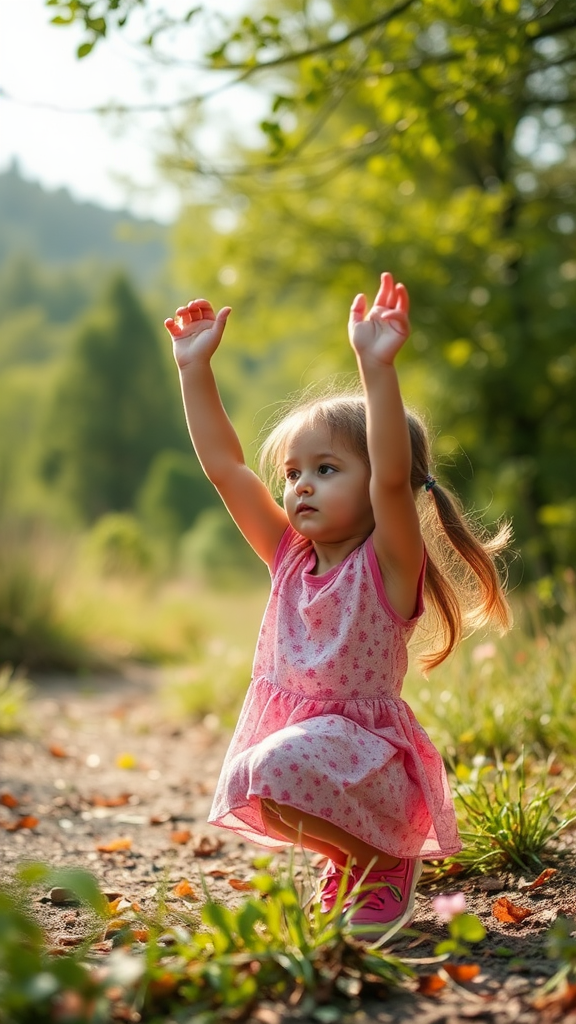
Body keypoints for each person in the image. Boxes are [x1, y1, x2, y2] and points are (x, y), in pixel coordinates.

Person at [164, 272, 512, 938]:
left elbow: (388, 475)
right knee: (248, 782)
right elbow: (226, 468)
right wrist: (193, 369)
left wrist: (375, 367)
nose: (301, 486)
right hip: (308, 751)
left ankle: (383, 859)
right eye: (294, 472)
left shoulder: (388, 563)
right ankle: (356, 860)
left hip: (372, 767)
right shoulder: (289, 556)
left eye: (326, 469)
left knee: (268, 767)